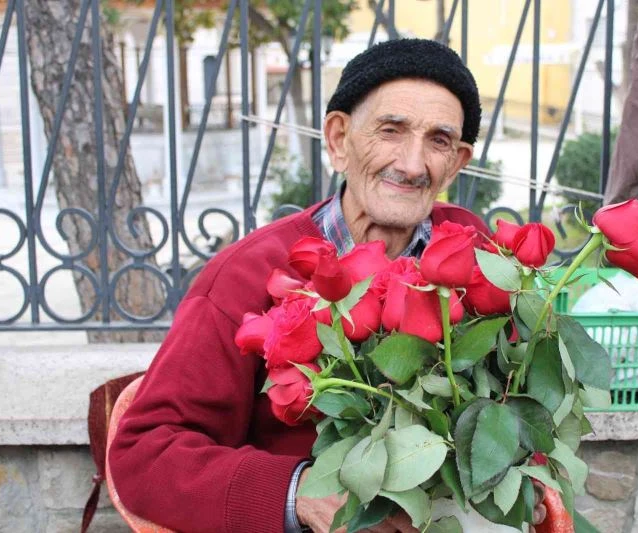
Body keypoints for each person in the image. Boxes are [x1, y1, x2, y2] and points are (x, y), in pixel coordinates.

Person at [109, 38, 546, 533]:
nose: (412, 163)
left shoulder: (476, 252)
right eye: (391, 130)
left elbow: (514, 396)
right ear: (339, 140)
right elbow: (142, 454)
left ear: (457, 162)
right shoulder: (246, 275)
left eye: (439, 141)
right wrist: (300, 495)